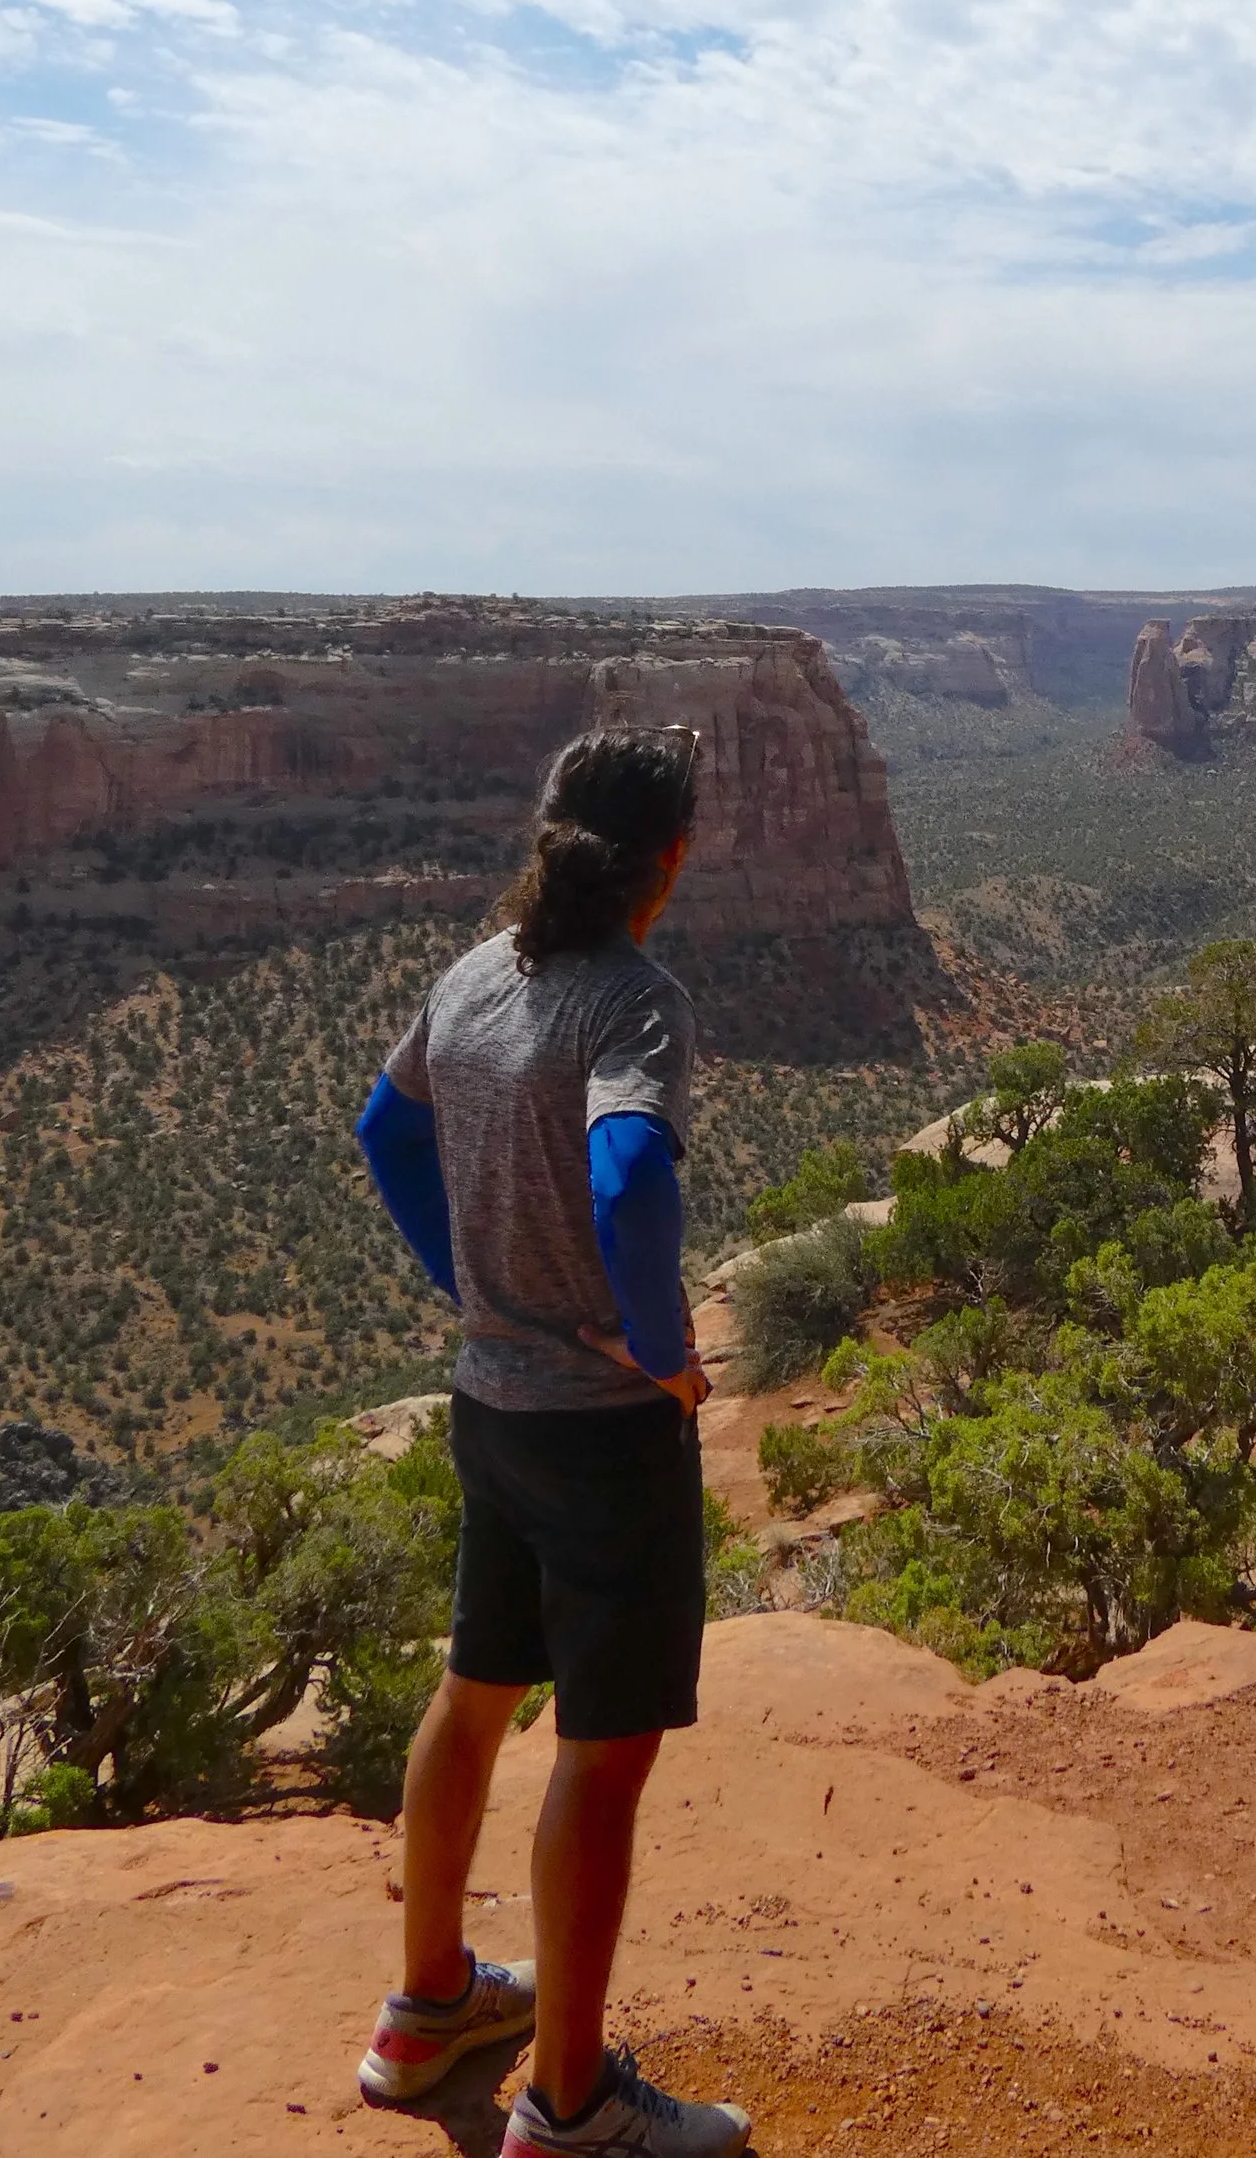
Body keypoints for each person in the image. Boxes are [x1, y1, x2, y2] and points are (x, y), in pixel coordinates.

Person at [351, 725, 751, 2158]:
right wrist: (662, 1354)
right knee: (603, 1751)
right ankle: (571, 2106)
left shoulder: (472, 976)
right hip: (598, 1433)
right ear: (672, 861)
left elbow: (383, 1130)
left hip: (489, 1407)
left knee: (473, 1696)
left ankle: (428, 2006)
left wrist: (468, 1288)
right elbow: (631, 1171)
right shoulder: (634, 998)